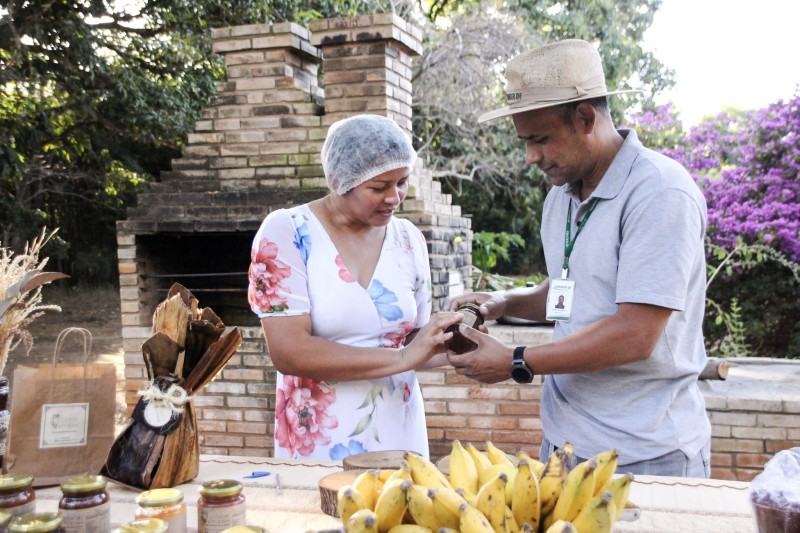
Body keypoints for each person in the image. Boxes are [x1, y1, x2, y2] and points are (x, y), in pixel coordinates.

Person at [447, 39, 712, 477]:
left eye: (540, 139)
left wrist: (516, 360)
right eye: (524, 141)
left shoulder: (660, 191)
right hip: (563, 445)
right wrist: (505, 303)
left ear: (586, 118)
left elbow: (635, 333)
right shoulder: (561, 198)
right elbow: (569, 294)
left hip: (645, 454)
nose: (531, 156)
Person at [247, 114, 461, 461]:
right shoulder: (288, 232)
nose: (395, 197)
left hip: (398, 432)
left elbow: (414, 341)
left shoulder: (409, 239)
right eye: (378, 188)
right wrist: (403, 357)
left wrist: (457, 345)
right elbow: (288, 351)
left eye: (402, 182)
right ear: (341, 182)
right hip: (321, 440)